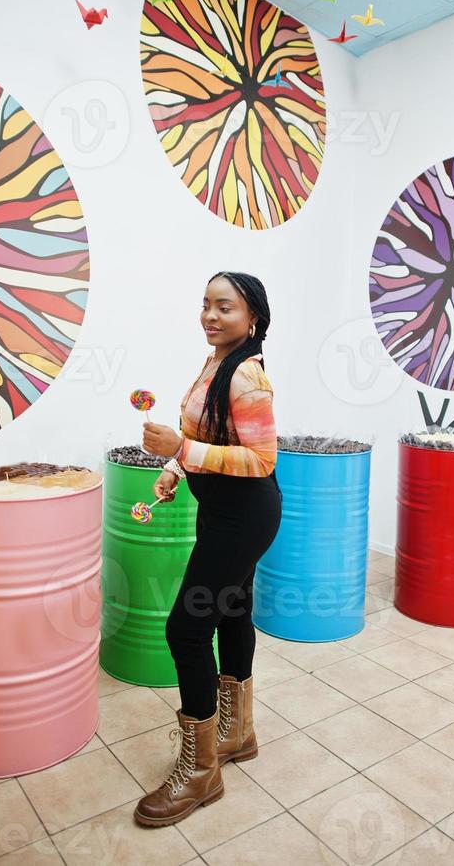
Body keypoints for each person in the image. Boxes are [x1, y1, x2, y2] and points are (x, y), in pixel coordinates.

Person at [133, 271, 283, 828]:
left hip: (244, 516)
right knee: (233, 609)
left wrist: (184, 449)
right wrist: (175, 467)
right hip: (224, 511)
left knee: (186, 630)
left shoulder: (248, 378)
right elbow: (209, 436)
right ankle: (237, 733)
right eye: (206, 305)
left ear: (253, 319)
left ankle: (200, 775)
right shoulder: (215, 362)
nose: (211, 316)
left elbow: (261, 460)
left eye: (225, 307)